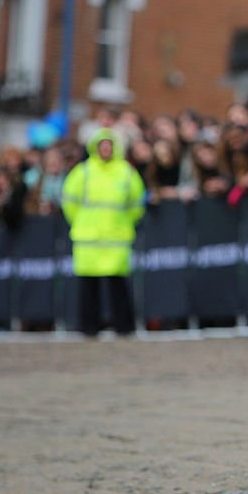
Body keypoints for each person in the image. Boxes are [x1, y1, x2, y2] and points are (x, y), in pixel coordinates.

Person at [61, 128, 145, 337]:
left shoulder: (126, 172)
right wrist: (82, 222)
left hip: (116, 237)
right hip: (88, 238)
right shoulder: (84, 171)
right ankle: (89, 327)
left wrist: (124, 222)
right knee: (88, 286)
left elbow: (137, 203)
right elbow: (69, 202)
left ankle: (124, 326)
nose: (106, 149)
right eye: (102, 145)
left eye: (109, 145)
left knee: (118, 286)